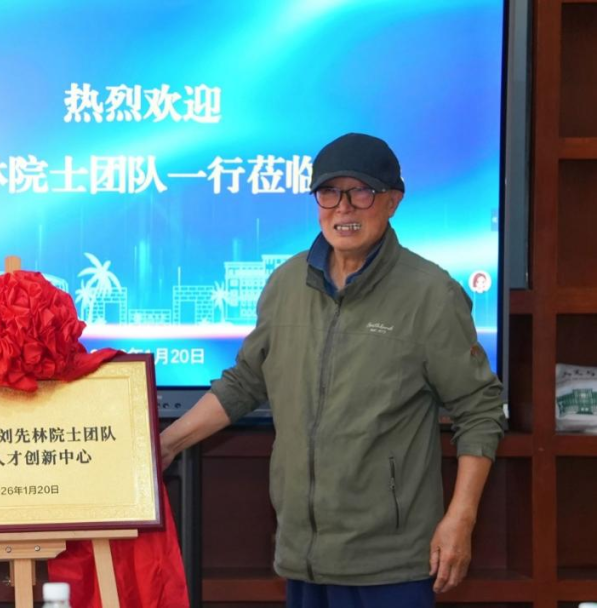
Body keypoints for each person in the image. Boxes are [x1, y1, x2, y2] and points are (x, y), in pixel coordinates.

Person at [160, 133, 505, 607]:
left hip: (391, 565)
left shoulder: (431, 294)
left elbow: (480, 410)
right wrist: (167, 445)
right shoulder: (287, 283)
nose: (343, 208)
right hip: (302, 558)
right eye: (329, 193)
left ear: (392, 201)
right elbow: (245, 382)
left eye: (361, 192)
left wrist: (460, 518)